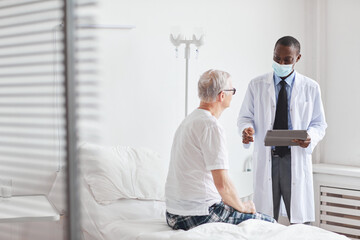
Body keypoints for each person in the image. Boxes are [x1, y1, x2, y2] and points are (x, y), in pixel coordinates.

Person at [165, 69, 275, 231]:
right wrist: (242, 206)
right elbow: (222, 184)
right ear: (222, 95)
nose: (233, 94)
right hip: (198, 214)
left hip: (174, 214)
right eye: (232, 91)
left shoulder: (189, 120)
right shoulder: (210, 125)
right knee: (268, 223)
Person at [237, 36, 327, 224]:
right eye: (277, 58)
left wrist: (310, 137)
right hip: (268, 158)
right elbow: (245, 117)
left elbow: (319, 123)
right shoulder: (257, 85)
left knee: (300, 223)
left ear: (298, 58)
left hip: (295, 158)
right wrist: (247, 130)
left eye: (287, 59)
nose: (281, 63)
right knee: (263, 220)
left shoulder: (311, 87)